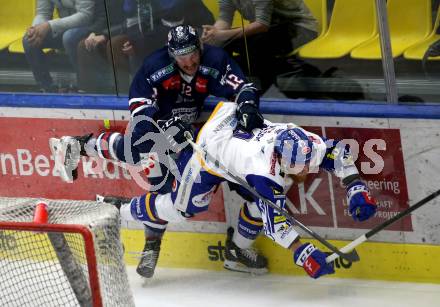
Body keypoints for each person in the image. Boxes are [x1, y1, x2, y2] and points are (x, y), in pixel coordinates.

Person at [50, 25, 265, 277]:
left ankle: (237, 248)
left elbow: (243, 87)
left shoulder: (214, 59)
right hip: (159, 130)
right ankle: (81, 146)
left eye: (192, 52)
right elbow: (140, 109)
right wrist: (163, 125)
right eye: (181, 55)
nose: (189, 61)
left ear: (200, 47)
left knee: (249, 193)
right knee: (147, 165)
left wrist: (248, 105)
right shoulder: (156, 65)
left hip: (197, 136)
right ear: (171, 54)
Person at [104, 101, 378, 279]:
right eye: (301, 166)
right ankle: (121, 209)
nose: (307, 170)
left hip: (232, 124)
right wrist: (302, 253)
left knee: (259, 205)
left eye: (307, 163)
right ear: (282, 161)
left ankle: (236, 252)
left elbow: (336, 152)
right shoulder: (264, 174)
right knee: (182, 209)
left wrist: (355, 186)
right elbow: (276, 226)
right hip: (210, 153)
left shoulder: (299, 139)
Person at [201, 0, 319, 92]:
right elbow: (224, 18)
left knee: (256, 46)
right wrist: (213, 34)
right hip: (270, 30)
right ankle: (232, 84)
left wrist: (222, 35)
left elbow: (262, 25)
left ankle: (255, 88)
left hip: (301, 29)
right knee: (226, 45)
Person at [23, 0, 95, 92]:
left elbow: (86, 16)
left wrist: (50, 25)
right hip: (64, 28)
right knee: (28, 40)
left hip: (91, 28)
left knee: (69, 37)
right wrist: (35, 29)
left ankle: (85, 87)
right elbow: (43, 13)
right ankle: (46, 87)